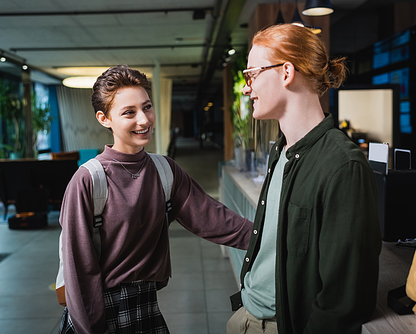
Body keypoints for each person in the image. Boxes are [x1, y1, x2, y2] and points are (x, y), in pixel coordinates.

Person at [58, 65, 253, 334]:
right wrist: (91, 329)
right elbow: (79, 269)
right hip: (101, 313)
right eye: (129, 112)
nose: (144, 120)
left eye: (147, 107)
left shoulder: (164, 170)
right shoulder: (88, 180)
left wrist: (271, 238)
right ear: (104, 119)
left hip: (147, 305)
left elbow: (215, 220)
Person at [226, 24, 382, 334]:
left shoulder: (343, 165)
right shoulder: (281, 150)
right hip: (246, 315)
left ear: (286, 72)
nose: (246, 88)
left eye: (252, 75)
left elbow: (344, 301)